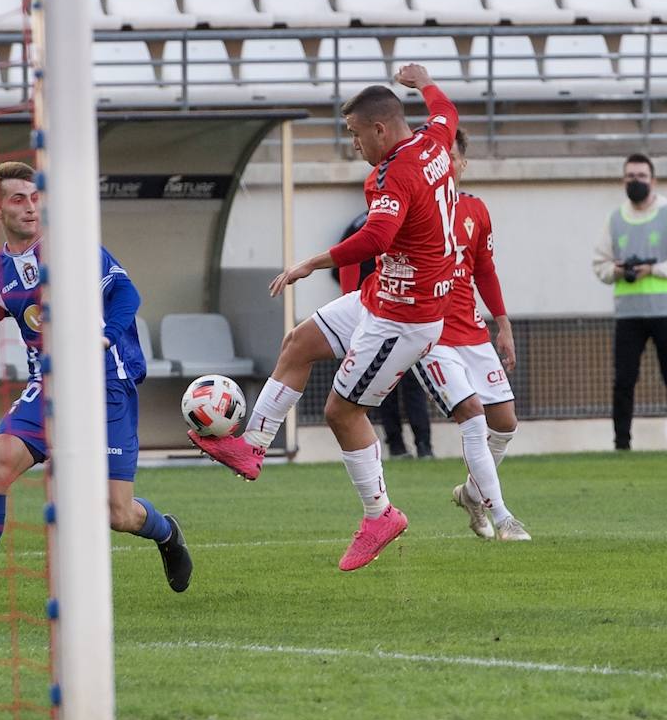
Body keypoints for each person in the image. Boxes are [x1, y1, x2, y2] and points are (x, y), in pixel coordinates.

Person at [190, 64, 466, 571]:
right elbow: (446, 111)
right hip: (382, 293)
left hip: (405, 315)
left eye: (355, 135)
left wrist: (312, 262)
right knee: (299, 342)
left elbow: (378, 238)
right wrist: (425, 82)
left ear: (379, 129)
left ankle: (380, 514)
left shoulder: (392, 173)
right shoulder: (434, 141)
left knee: (342, 411)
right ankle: (251, 448)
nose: (354, 145)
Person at [0, 161, 192, 612]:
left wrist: (106, 333)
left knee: (116, 513)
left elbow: (126, 294)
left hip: (106, 381)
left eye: (35, 198)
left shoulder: (73, 250)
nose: (30, 208)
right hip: (48, 386)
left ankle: (166, 530)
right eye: (18, 199)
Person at [410, 129, 530, 541]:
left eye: (452, 157)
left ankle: (471, 493)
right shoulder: (414, 207)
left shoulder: (475, 210)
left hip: (473, 332)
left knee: (505, 423)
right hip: (432, 335)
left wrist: (503, 324)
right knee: (475, 420)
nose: (446, 165)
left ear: (461, 164)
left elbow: (485, 270)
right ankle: (504, 519)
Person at [592, 154, 667, 450]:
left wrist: (654, 269)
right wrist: (618, 270)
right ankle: (621, 443)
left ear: (653, 180)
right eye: (630, 176)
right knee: (623, 380)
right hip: (629, 314)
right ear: (623, 180)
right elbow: (599, 264)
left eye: (641, 176)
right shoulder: (615, 219)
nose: (635, 181)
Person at [336, 212, 434, 460]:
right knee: (381, 390)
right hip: (375, 320)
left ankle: (423, 444)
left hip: (408, 319)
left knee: (413, 383)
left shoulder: (411, 219)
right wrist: (355, 306)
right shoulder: (361, 225)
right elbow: (343, 261)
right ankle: (399, 446)